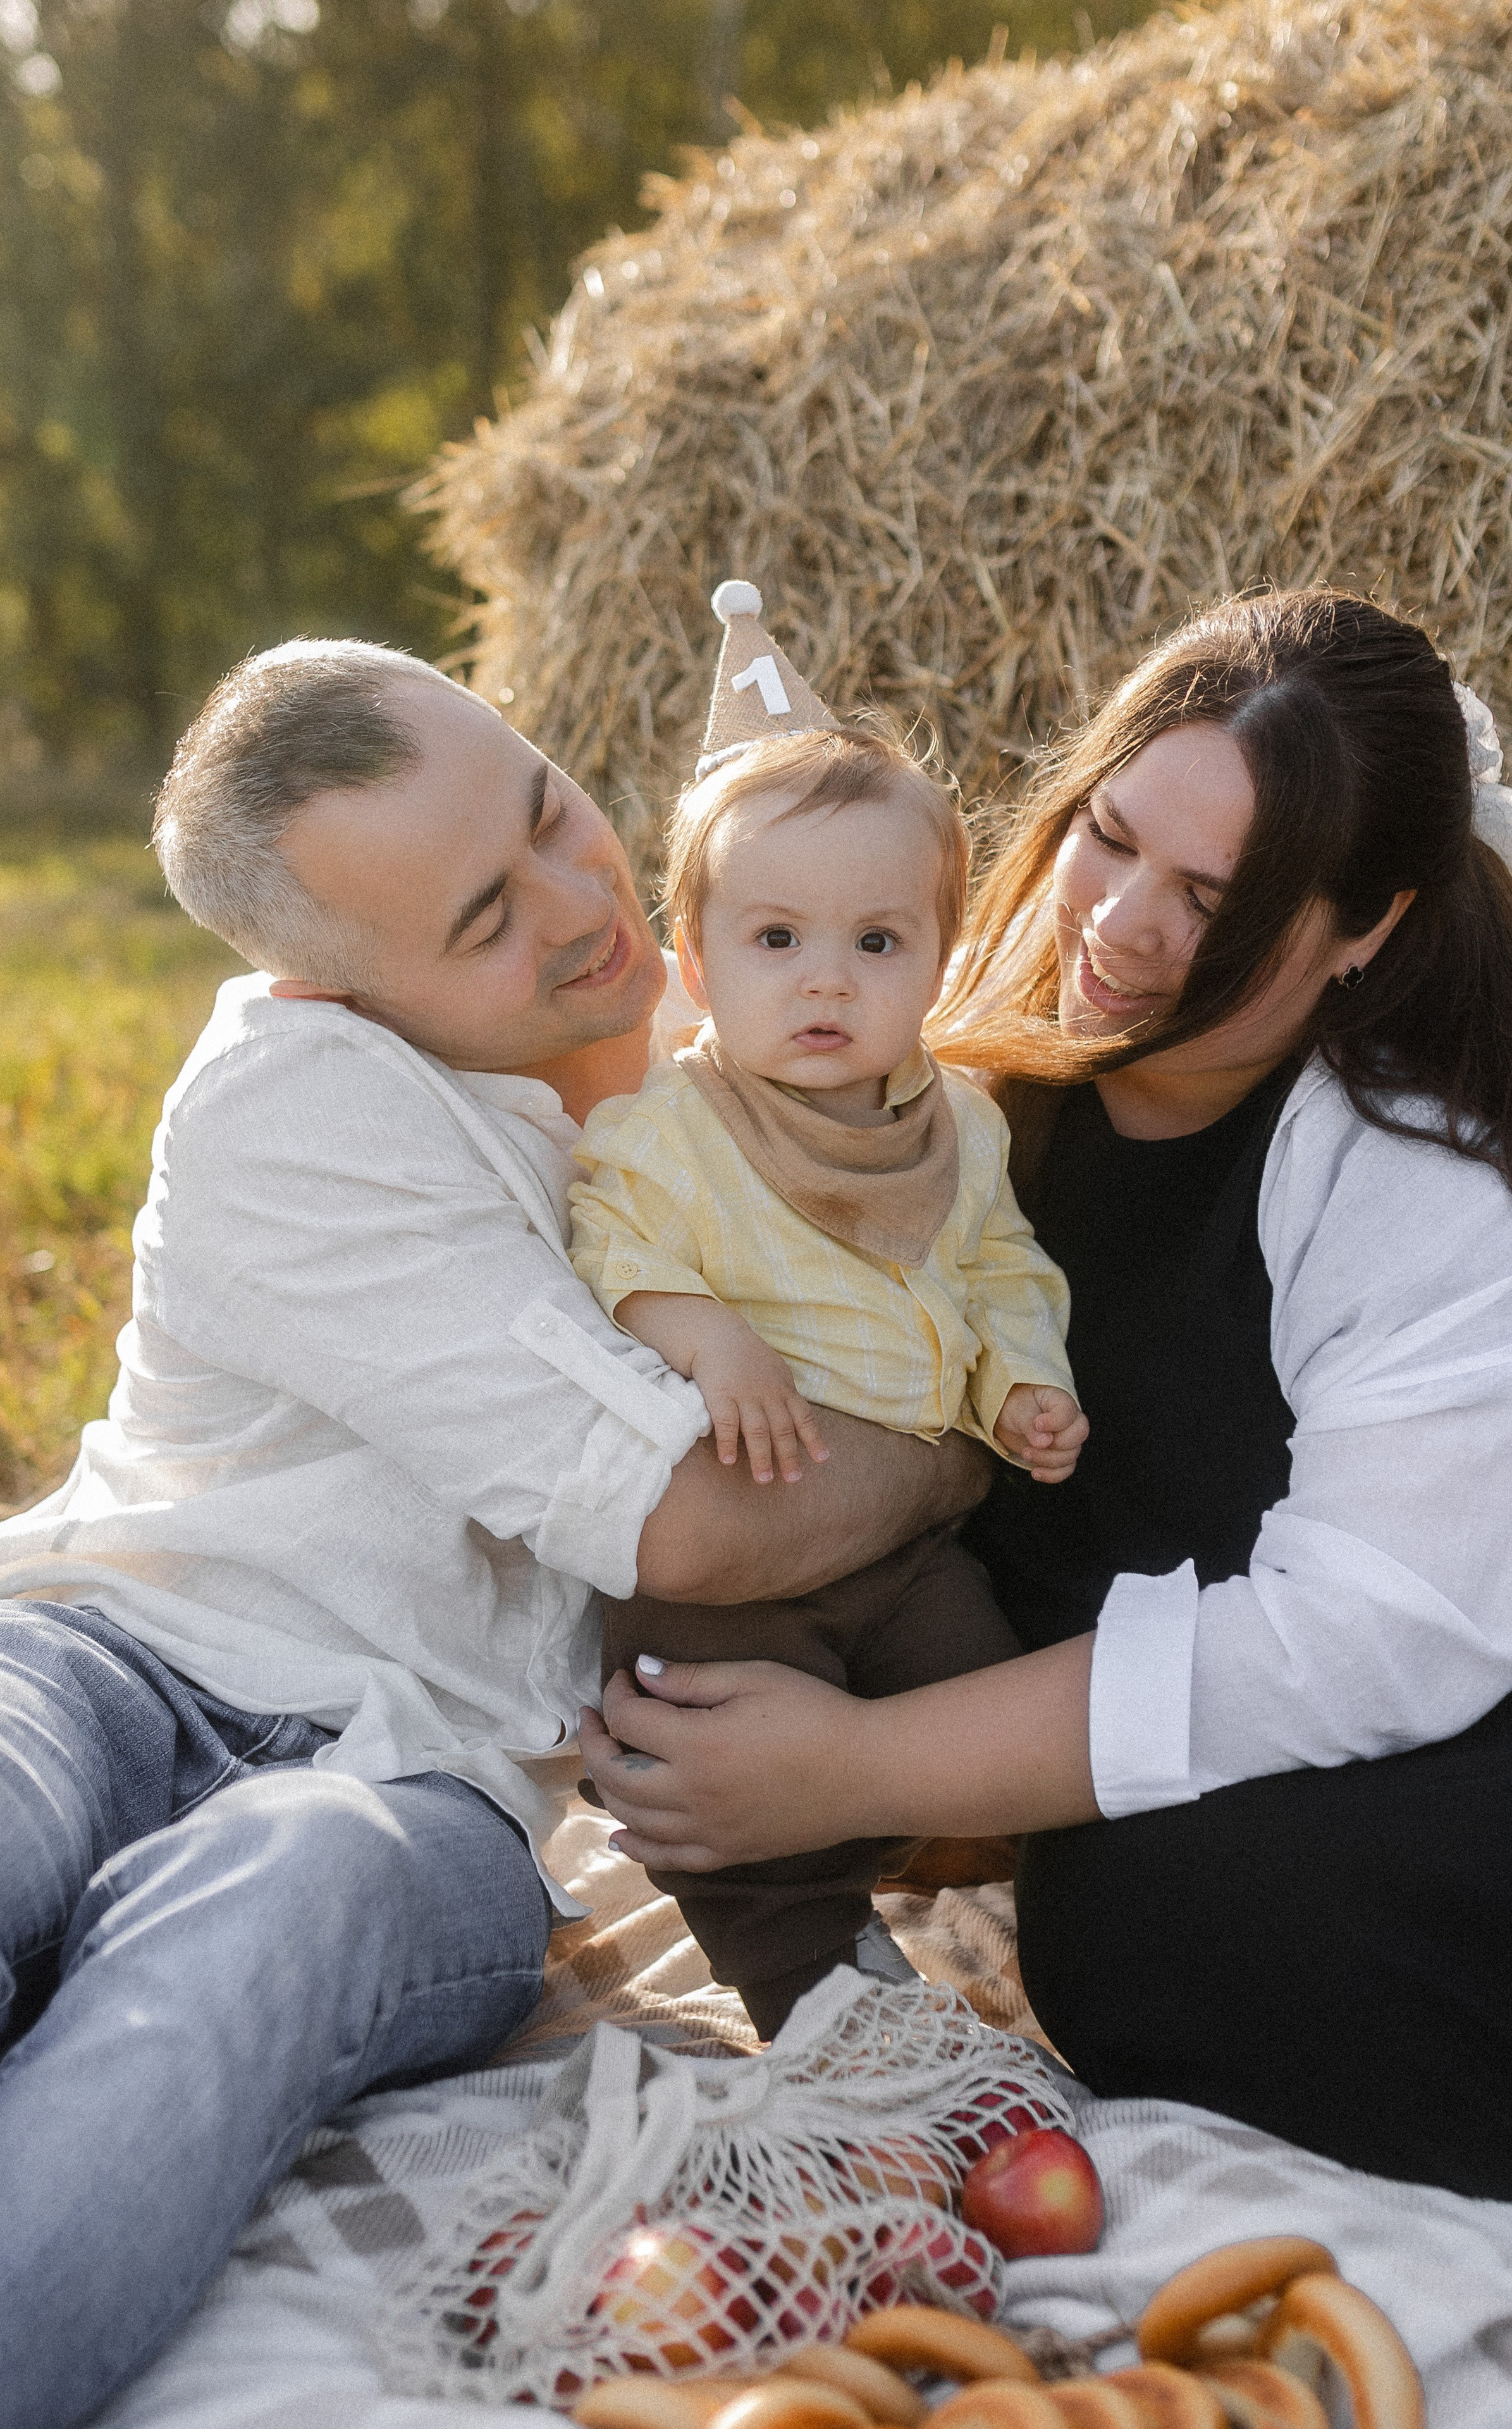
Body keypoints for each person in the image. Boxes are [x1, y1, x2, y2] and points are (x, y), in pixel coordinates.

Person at [0, 641, 990, 2429]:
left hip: (421, 1792)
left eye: (554, 815)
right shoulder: (303, 1104)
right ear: (334, 988)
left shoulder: (740, 1045)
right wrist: (955, 1454)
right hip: (104, 1649)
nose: (584, 906)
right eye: (481, 921)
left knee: (270, 1914)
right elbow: (695, 1526)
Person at [581, 588, 1512, 2203]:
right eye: (1107, 837)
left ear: (1365, 926)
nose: (1116, 924)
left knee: (1154, 1916)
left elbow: (1364, 1641)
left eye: (1213, 899)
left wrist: (859, 1767)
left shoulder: (1426, 1160)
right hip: (1187, 1717)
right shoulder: (970, 1060)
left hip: (1497, 1731)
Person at [570, 586, 1083, 2036]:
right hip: (732, 1547)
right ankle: (808, 1980)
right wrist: (701, 1332)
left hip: (908, 1537)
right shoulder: (676, 1132)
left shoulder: (959, 1128)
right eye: (776, 939)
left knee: (984, 1704)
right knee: (716, 1753)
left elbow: (999, 1274)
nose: (823, 983)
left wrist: (1017, 1385)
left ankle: (988, 1893)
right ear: (694, 965)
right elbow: (605, 1240)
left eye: (875, 945)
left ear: (939, 958)